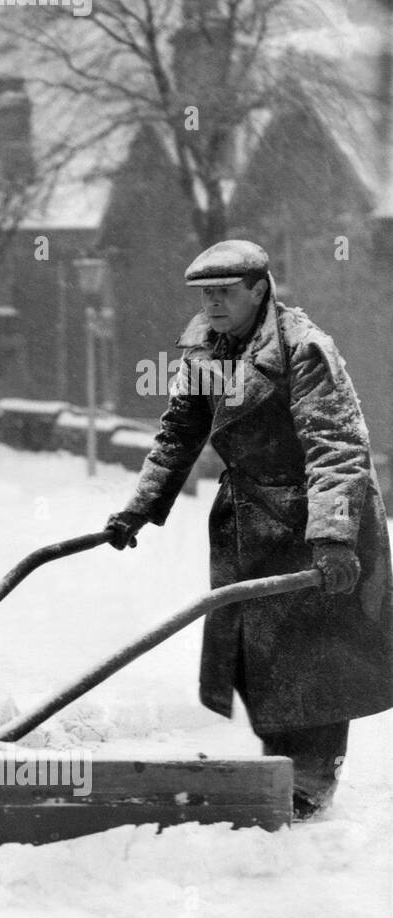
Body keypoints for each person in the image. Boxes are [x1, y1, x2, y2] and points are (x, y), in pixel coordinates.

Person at [105, 240, 393, 819]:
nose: (211, 303)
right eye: (204, 293)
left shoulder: (305, 348)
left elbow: (336, 447)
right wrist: (139, 508)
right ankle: (279, 768)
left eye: (223, 292)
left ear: (259, 289)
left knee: (316, 658)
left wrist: (334, 536)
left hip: (313, 519)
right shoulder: (204, 351)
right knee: (260, 657)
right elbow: (178, 435)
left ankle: (312, 777)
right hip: (250, 521)